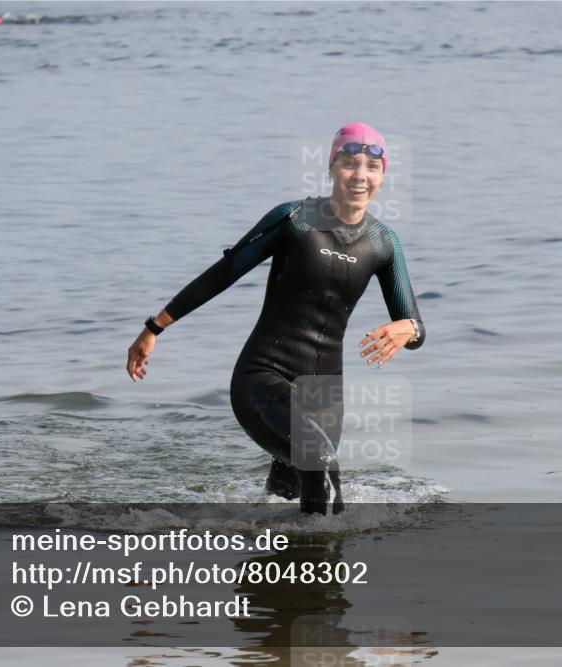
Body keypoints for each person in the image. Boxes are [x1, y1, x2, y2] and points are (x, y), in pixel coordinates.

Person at [127, 122, 426, 515]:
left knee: (290, 497)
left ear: (382, 176)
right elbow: (226, 271)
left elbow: (415, 327)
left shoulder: (384, 243)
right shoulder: (295, 219)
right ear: (332, 167)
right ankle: (314, 564)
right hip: (263, 375)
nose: (360, 176)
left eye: (372, 168)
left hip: (323, 395)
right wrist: (154, 328)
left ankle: (285, 567)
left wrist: (410, 328)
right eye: (350, 164)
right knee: (320, 464)